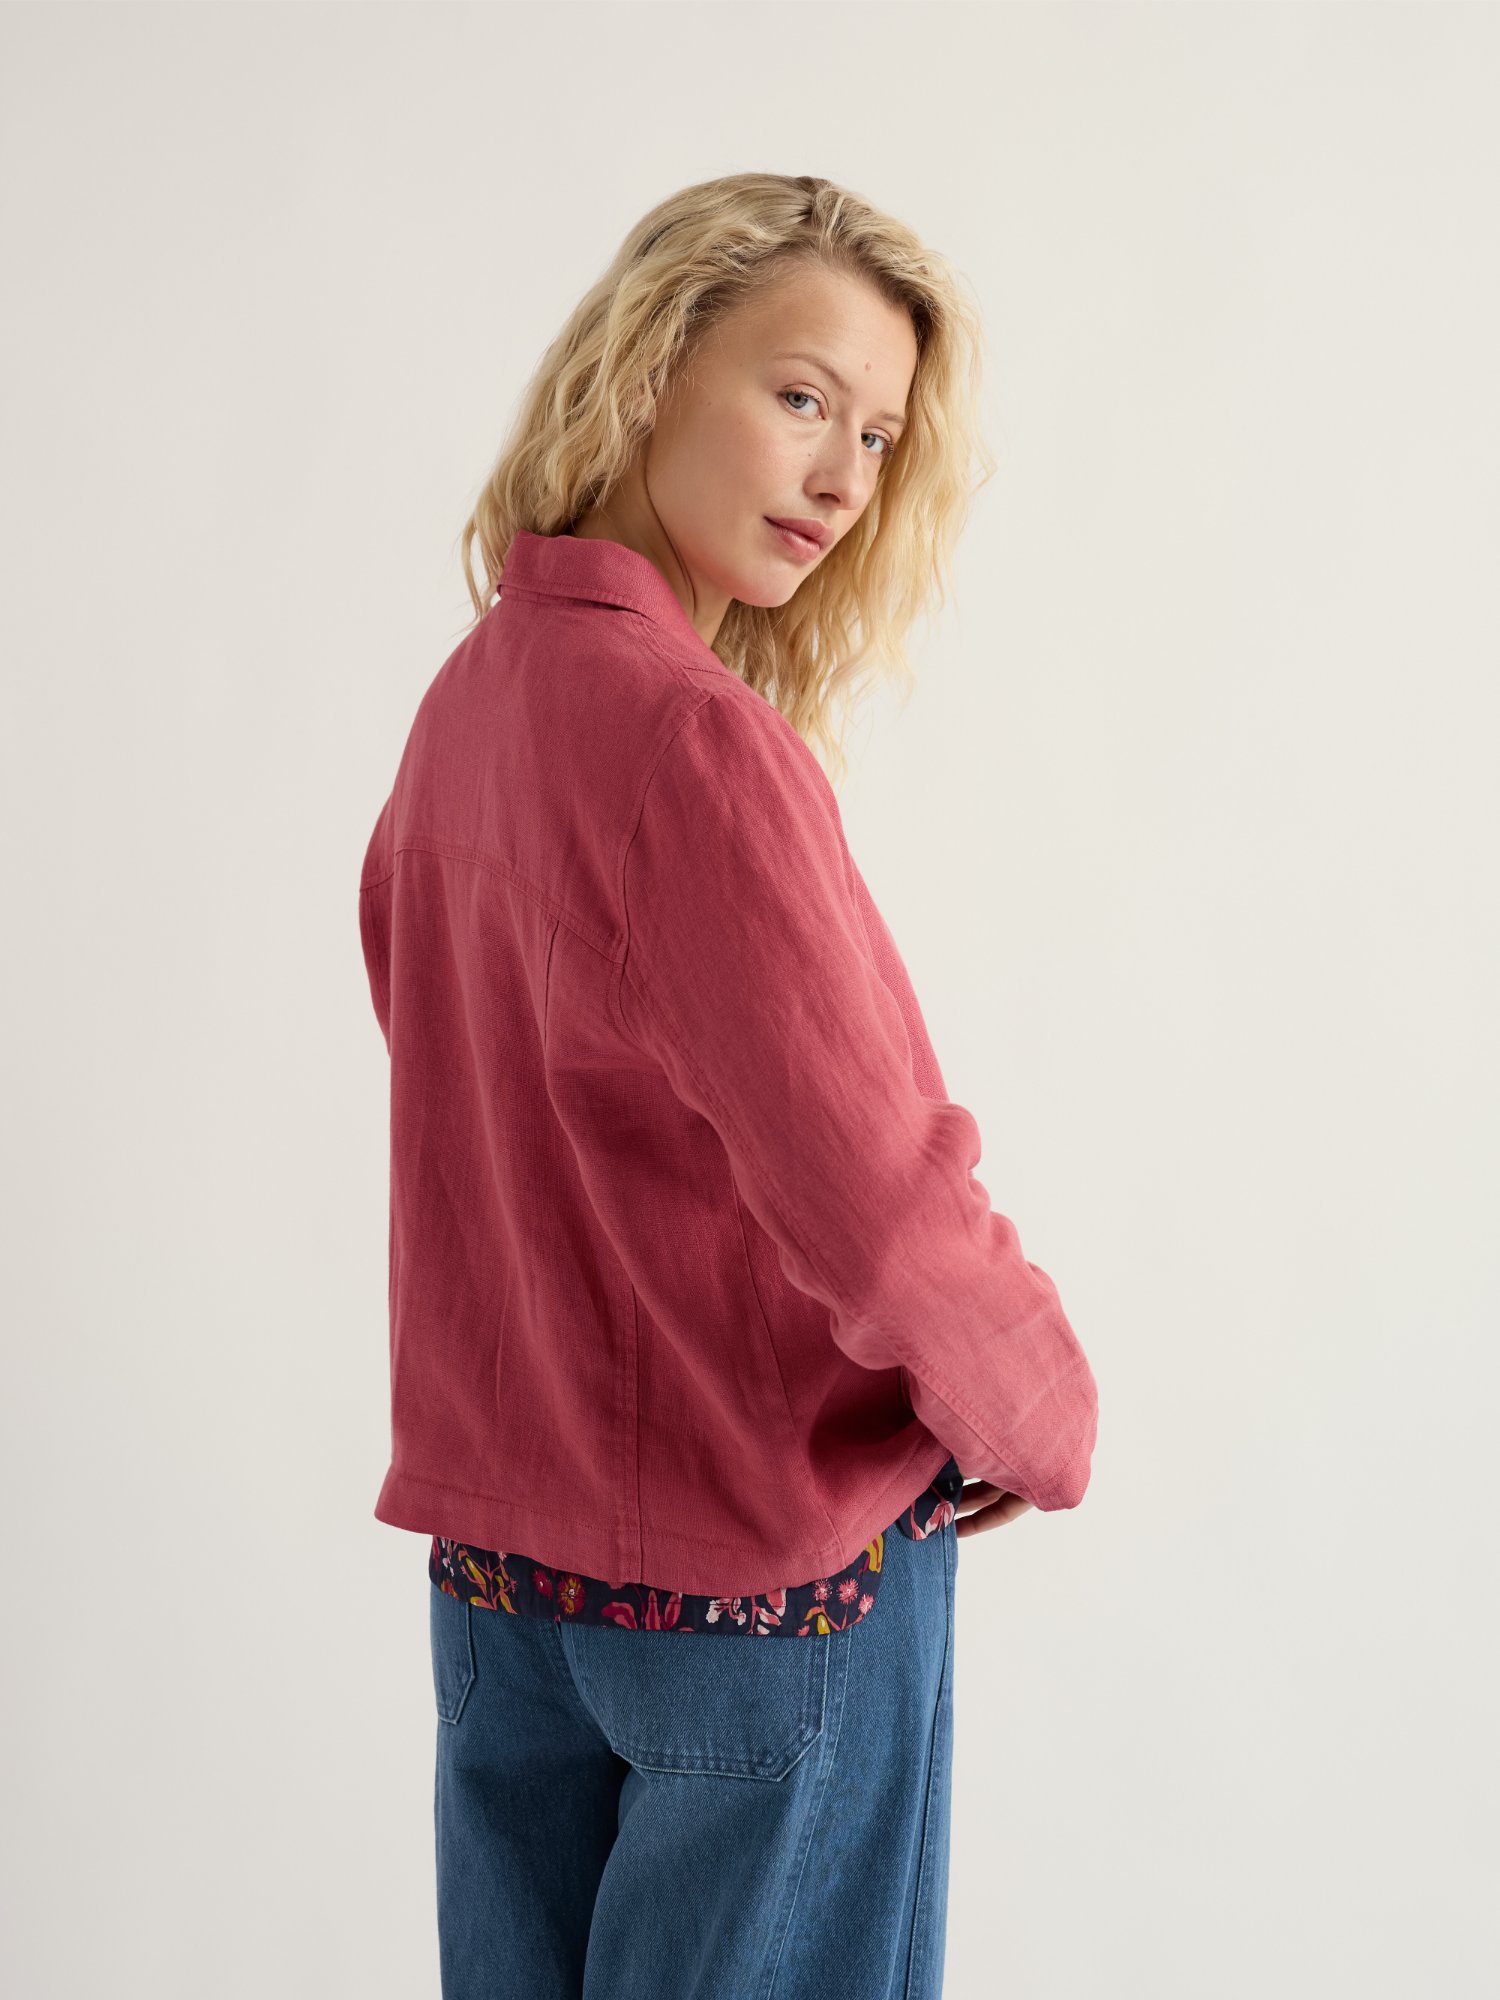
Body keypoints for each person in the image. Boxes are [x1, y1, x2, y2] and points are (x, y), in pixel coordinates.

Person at [358, 170, 1099, 2000]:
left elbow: (467, 1095)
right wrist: (1034, 1406)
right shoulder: (696, 740)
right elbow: (873, 1193)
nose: (842, 479)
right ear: (648, 365)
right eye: (801, 396)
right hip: (760, 1580)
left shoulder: (471, 699)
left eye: (879, 436)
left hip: (505, 1578)